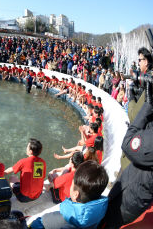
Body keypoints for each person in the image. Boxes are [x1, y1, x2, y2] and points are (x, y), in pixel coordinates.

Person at [101, 90, 153, 228]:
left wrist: (146, 105)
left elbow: (128, 144)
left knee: (110, 220)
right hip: (137, 192)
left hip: (129, 199)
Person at [30, 160, 109, 229]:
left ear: (75, 194)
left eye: (72, 184)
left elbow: (35, 225)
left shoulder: (51, 220)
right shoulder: (101, 210)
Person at [5, 138, 46, 202]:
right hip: (38, 194)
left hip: (24, 198)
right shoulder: (43, 162)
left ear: (30, 151)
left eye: (27, 147)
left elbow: (9, 171)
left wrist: (0, 173)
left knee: (12, 177)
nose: (26, 148)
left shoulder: (23, 161)